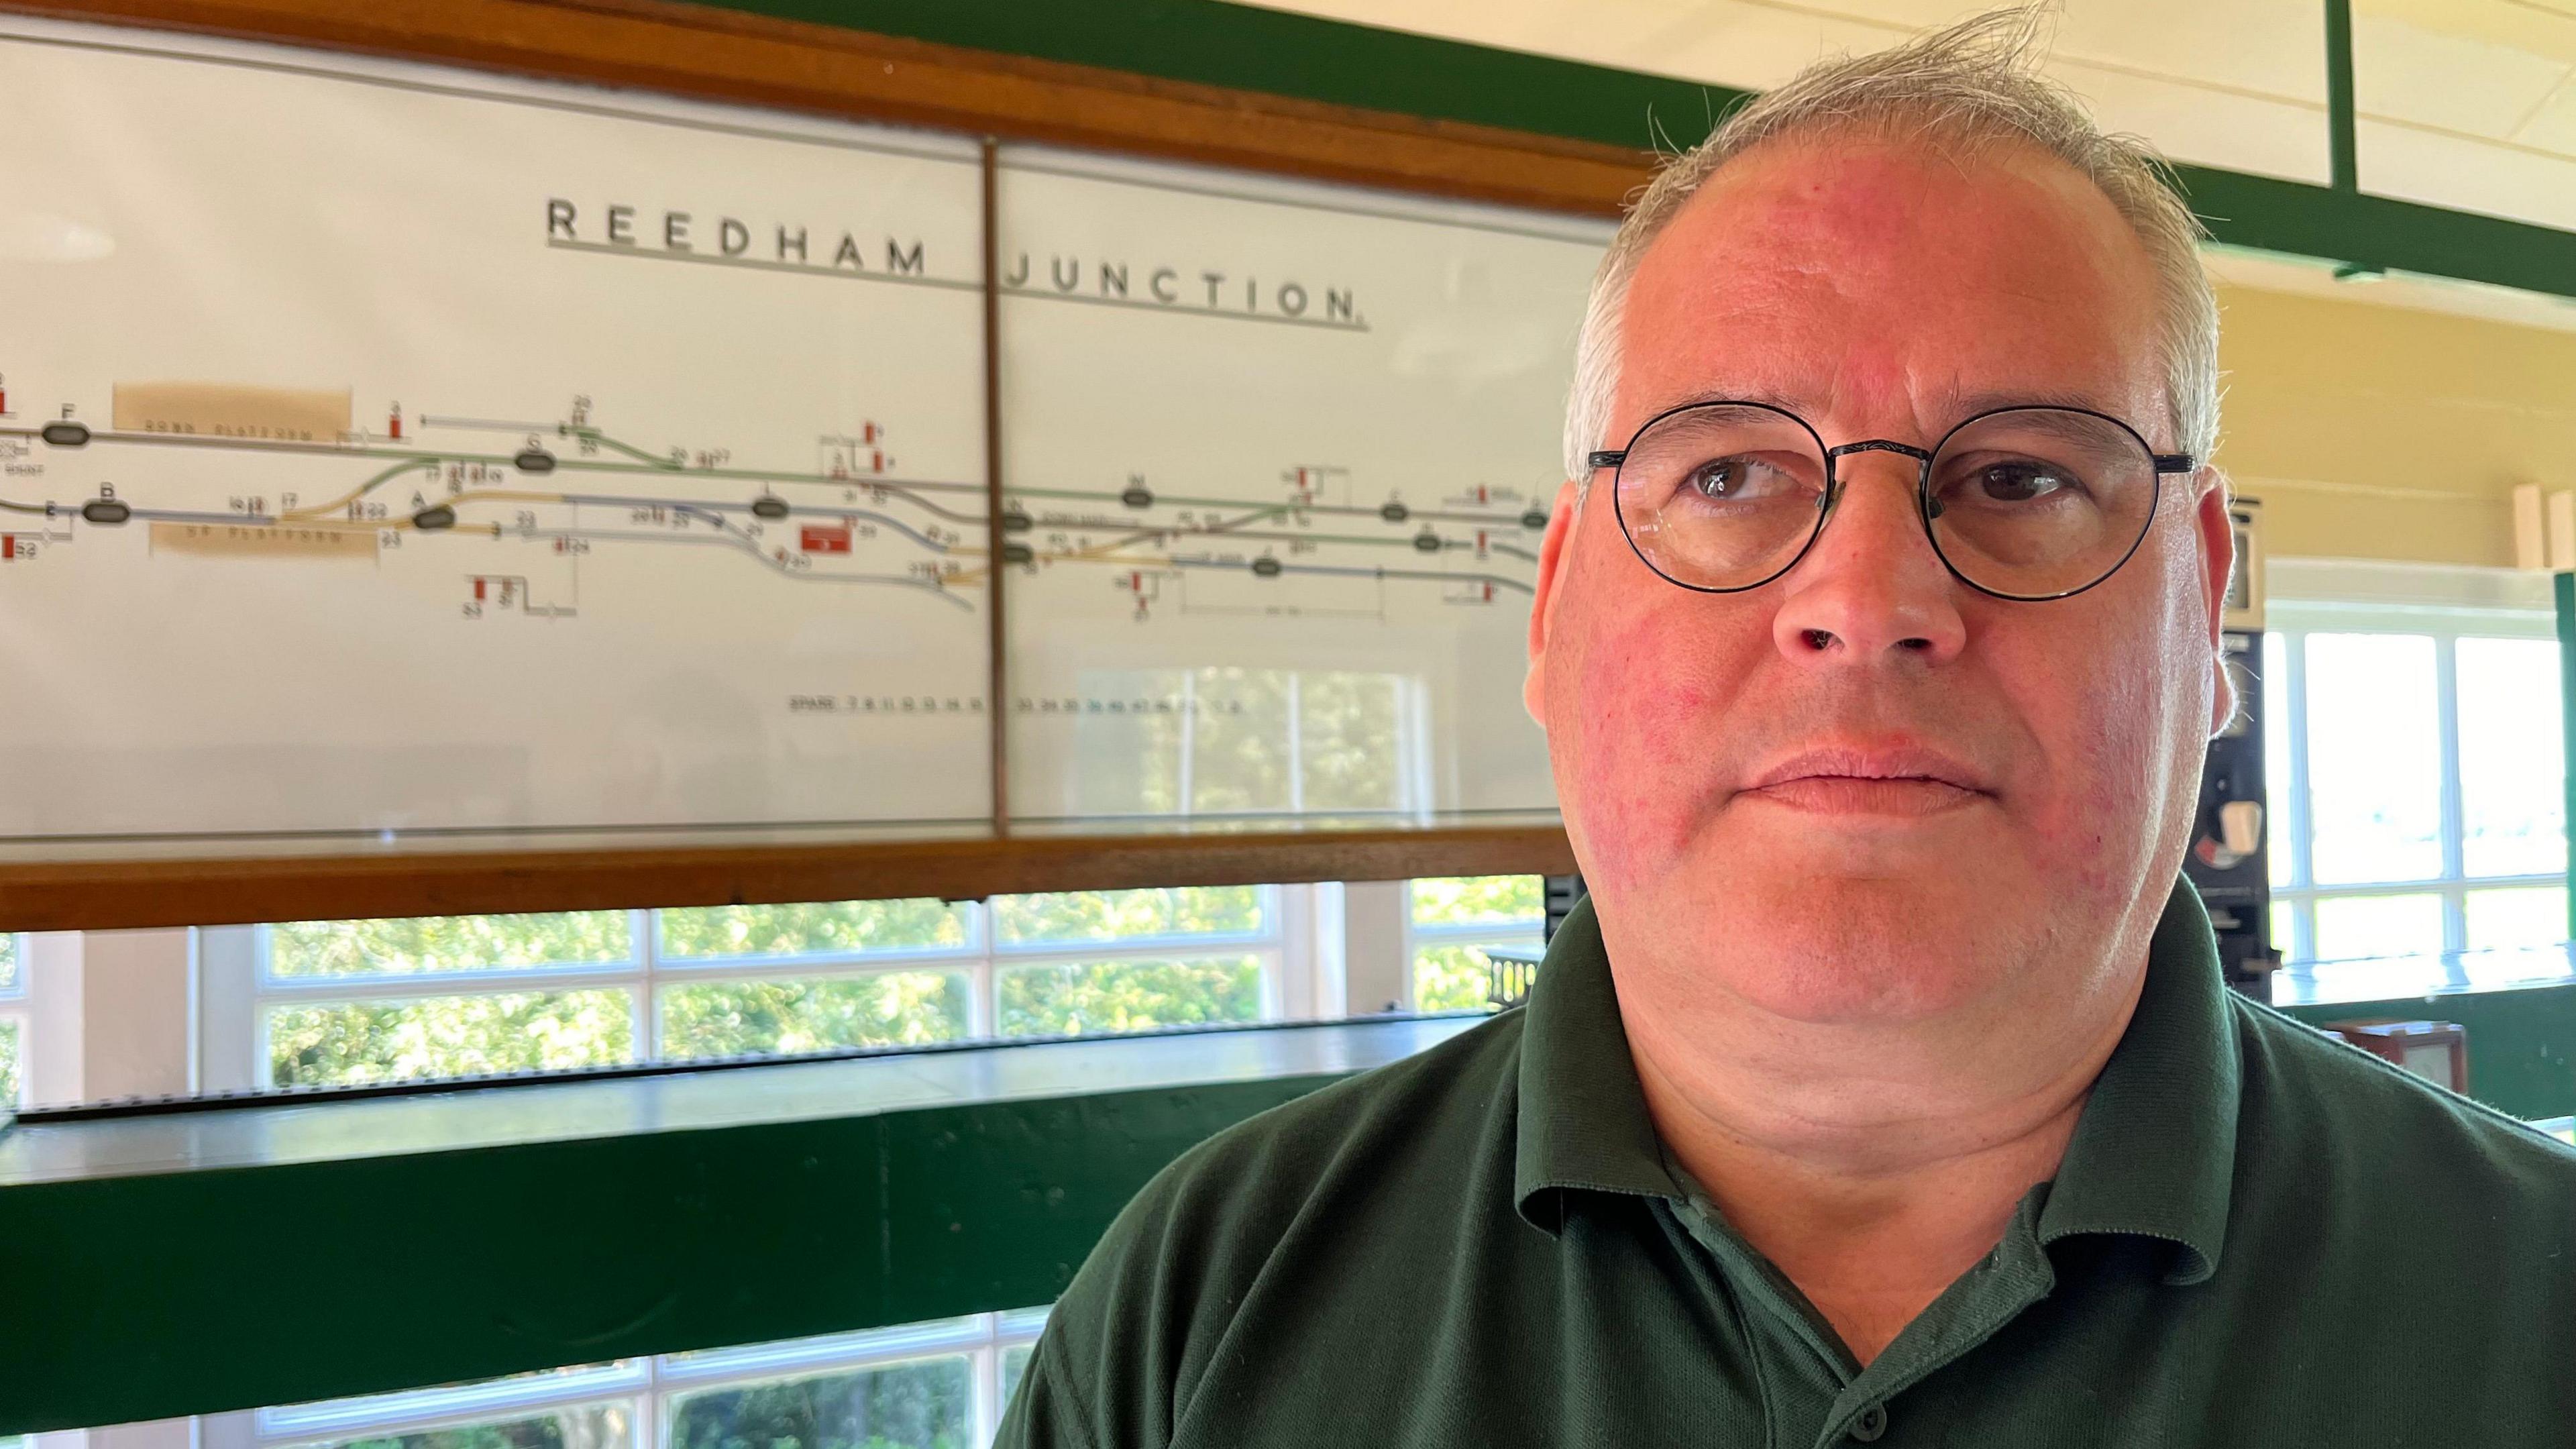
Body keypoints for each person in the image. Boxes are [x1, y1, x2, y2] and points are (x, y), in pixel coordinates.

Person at [996, 11, 2576, 1445]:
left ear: (2205, 599)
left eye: (2021, 476)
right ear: (1554, 602)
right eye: (1730, 474)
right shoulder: (1197, 1316)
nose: (1868, 595)